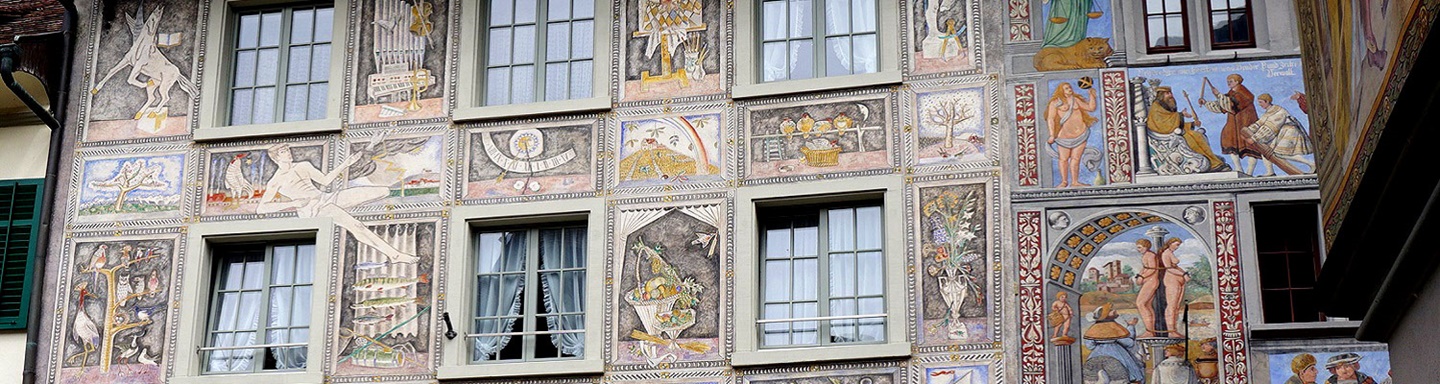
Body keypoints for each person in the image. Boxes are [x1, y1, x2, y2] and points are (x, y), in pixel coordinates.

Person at [257, 143, 418, 263]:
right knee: (356, 226)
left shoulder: (303, 165)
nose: (289, 153)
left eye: (288, 150)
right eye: (284, 152)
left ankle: (417, 190)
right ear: (276, 157)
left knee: (381, 191)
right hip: (314, 210)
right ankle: (394, 255)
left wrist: (346, 163)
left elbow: (325, 181)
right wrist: (293, 203)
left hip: (325, 197)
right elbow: (261, 209)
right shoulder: (276, 181)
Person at [1147, 86, 1228, 172]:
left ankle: (1213, 161)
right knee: (1191, 139)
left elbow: (1173, 123)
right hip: (1165, 135)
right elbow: (1161, 124)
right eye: (1167, 93)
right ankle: (1212, 163)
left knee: (1198, 135)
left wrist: (1192, 124)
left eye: (1171, 93)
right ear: (1161, 95)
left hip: (1174, 131)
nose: (1171, 95)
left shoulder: (1165, 106)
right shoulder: (1156, 107)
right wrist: (1181, 115)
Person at [1200, 74, 1264, 173]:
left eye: (1231, 81)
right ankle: (1238, 168)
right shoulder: (1231, 94)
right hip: (1233, 124)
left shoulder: (1244, 93)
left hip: (1246, 123)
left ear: (1237, 81)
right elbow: (1222, 106)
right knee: (1229, 141)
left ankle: (1250, 172)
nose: (1228, 82)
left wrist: (1219, 95)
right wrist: (1205, 102)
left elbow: (1232, 105)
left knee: (1250, 147)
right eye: (1228, 81)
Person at [1243, 93, 1315, 175]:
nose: (1260, 105)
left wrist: (1254, 138)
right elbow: (1260, 123)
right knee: (1265, 150)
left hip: (1290, 132)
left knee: (1280, 153)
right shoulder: (1269, 111)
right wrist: (1249, 129)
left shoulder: (1278, 111)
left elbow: (1270, 128)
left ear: (1267, 101)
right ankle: (1270, 172)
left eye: (1261, 102)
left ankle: (1311, 164)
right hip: (1282, 132)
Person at [1045, 82, 1099, 187]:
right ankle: (1064, 182)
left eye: (1070, 87)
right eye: (1066, 88)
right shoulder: (1056, 103)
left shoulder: (1076, 100)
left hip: (1081, 134)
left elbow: (1091, 108)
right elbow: (1050, 119)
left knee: (1076, 159)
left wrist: (1092, 96)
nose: (1070, 89)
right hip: (1064, 137)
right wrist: (1052, 134)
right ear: (1061, 91)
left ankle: (1075, 182)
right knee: (1064, 159)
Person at [1082, 303, 1145, 383]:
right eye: (1110, 310)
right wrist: (1131, 327)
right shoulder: (1114, 327)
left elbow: (1089, 345)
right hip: (1117, 354)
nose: (1114, 311)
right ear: (1106, 315)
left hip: (1096, 354)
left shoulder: (1093, 329)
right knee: (1132, 375)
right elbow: (1129, 343)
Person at [1160, 238, 1190, 337]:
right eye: (1176, 245)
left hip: (1178, 280)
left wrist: (1183, 274)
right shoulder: (1166, 254)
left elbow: (1175, 267)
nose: (1177, 247)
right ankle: (1171, 331)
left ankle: (1174, 330)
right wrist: (1184, 274)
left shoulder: (1171, 253)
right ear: (1170, 244)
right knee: (1171, 306)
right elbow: (1169, 269)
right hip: (1171, 280)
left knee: (1176, 307)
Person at [1133, 239, 1163, 337]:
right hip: (1148, 281)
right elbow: (1145, 268)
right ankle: (1150, 330)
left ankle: (1149, 331)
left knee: (1140, 303)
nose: (1138, 249)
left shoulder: (1150, 255)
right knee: (1147, 306)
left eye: (1139, 247)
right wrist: (1139, 275)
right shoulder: (1146, 255)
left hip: (1151, 282)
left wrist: (1142, 277)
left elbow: (1153, 269)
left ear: (1146, 246)